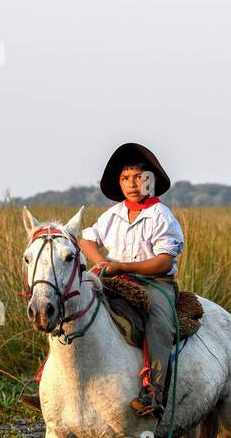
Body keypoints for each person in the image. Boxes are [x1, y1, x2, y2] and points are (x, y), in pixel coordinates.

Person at [77, 142, 184, 418]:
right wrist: (102, 263)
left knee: (158, 321)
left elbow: (164, 261)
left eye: (139, 177)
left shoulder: (160, 215)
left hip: (154, 283)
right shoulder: (112, 215)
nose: (132, 184)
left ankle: (154, 392)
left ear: (151, 181)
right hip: (113, 277)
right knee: (72, 306)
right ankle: (50, 383)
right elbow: (86, 239)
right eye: (125, 178)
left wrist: (121, 265)